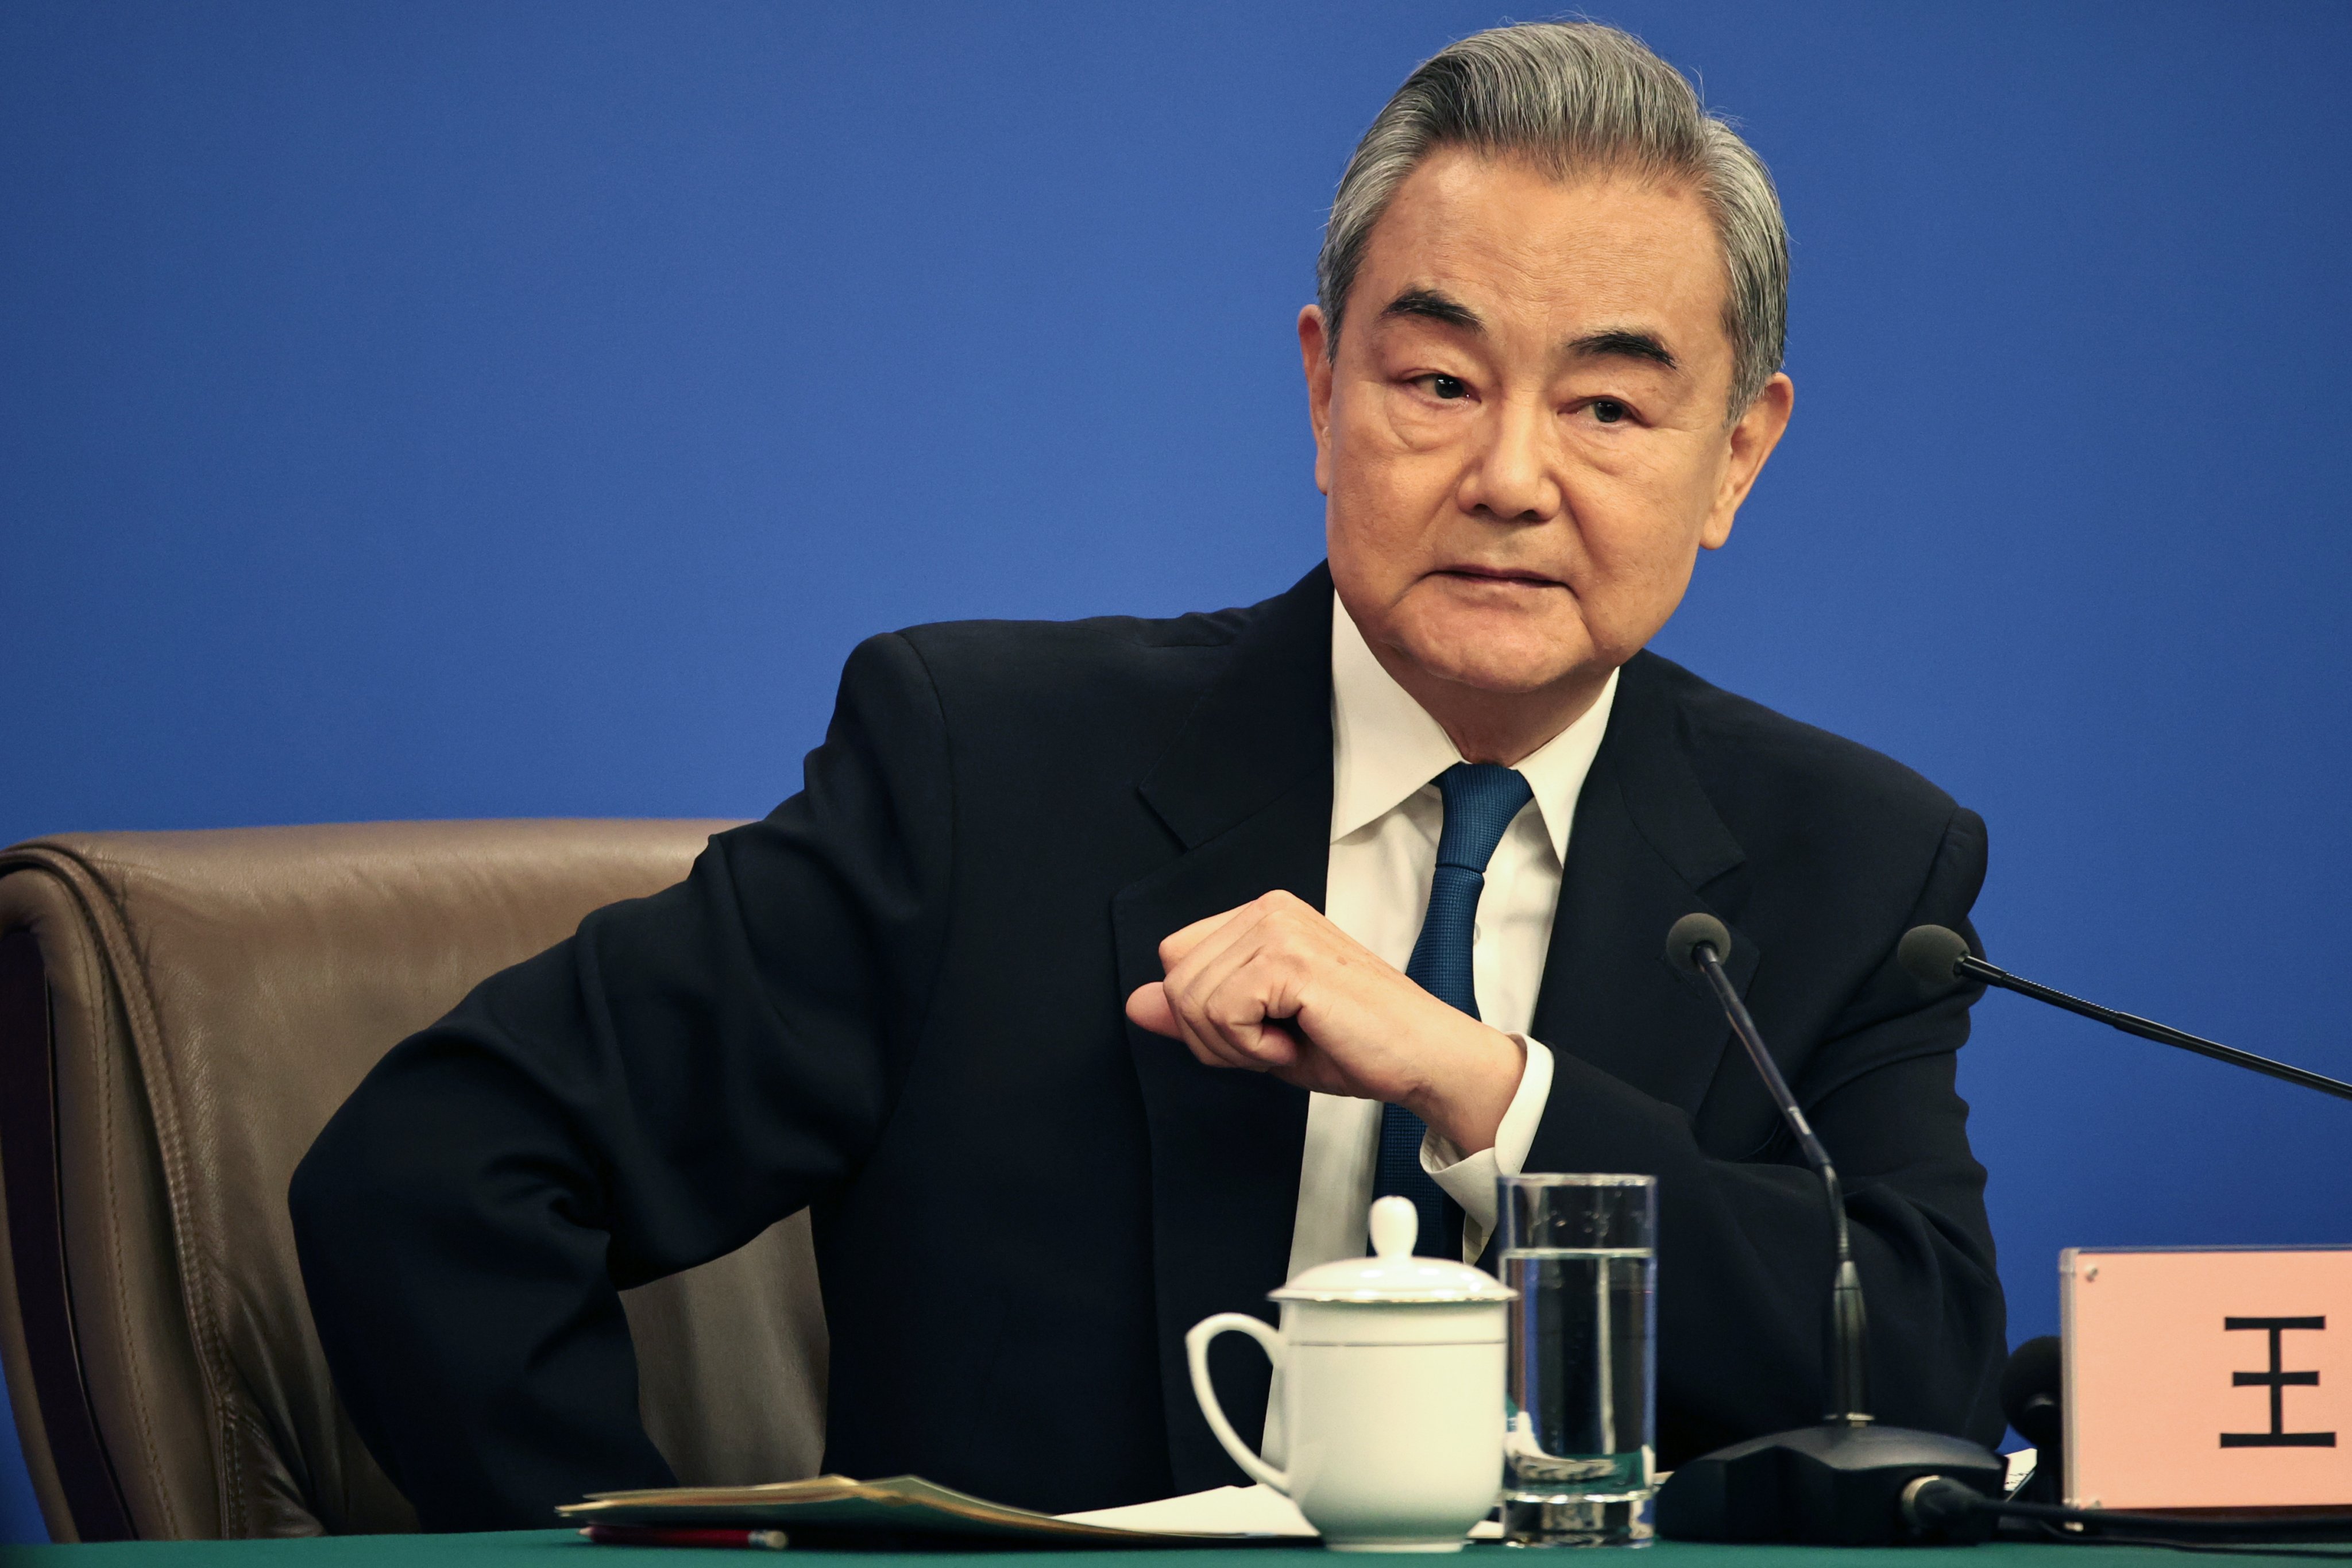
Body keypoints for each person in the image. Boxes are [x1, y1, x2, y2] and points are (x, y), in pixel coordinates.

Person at [292, 20, 2006, 1532]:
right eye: (1435, 380)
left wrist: (1491, 1089)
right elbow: (437, 1168)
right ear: (1324, 388)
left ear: (1739, 455)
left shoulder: (1855, 866)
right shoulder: (987, 776)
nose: (1508, 475)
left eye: (1610, 412)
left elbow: (1917, 1366)